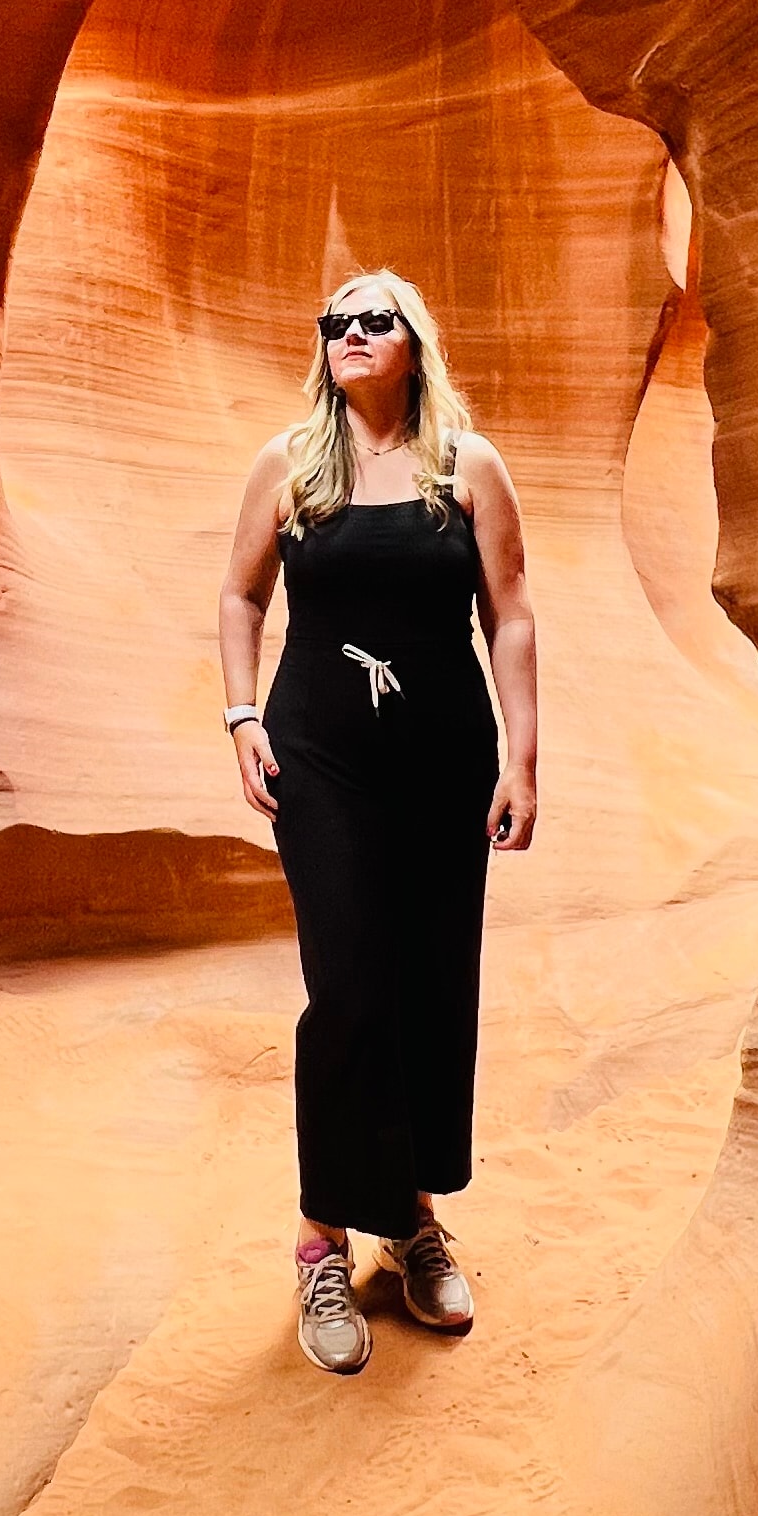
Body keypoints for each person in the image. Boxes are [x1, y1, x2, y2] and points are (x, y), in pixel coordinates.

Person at [218, 269, 538, 1375]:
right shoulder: (289, 463)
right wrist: (242, 715)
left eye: (373, 319)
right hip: (322, 759)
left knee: (431, 985)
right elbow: (240, 596)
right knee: (350, 988)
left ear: (414, 342)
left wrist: (521, 758)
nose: (350, 333)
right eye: (335, 321)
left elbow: (510, 616)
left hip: (445, 758)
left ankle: (410, 1221)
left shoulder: (468, 466)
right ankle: (323, 1238)